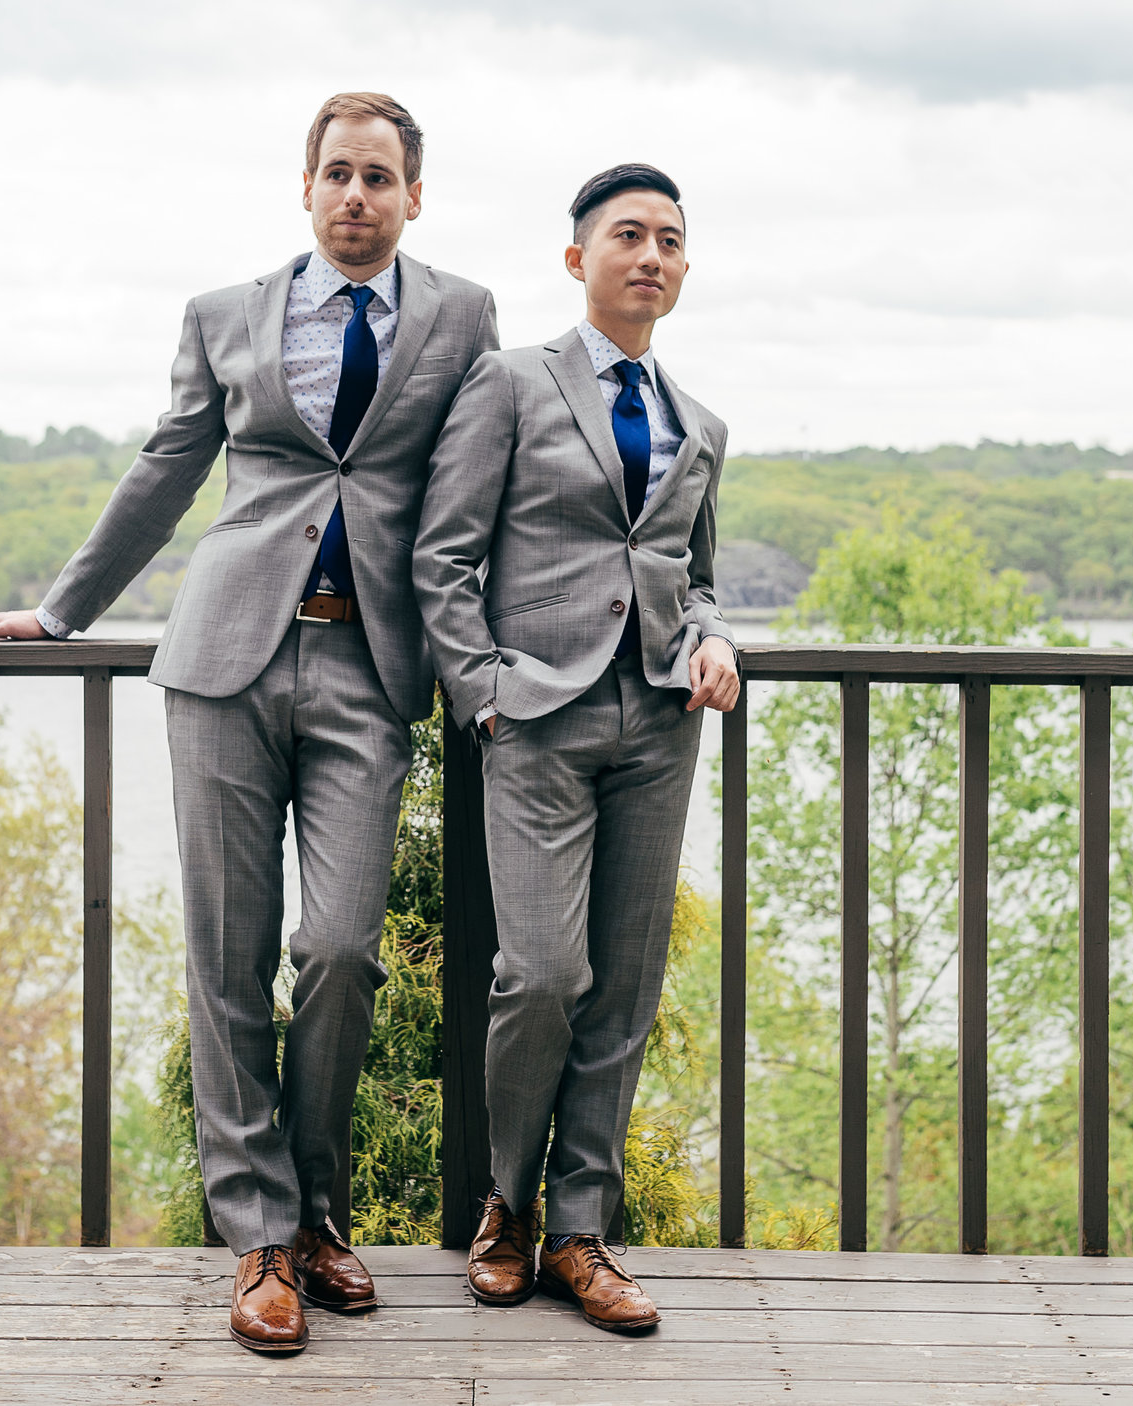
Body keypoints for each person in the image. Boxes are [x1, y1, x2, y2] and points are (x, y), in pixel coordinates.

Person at [0, 92, 498, 1357]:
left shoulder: (464, 316)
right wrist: (61, 609)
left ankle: (313, 1207)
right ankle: (261, 1234)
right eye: (337, 175)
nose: (356, 197)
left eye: (380, 178)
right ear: (304, 187)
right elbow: (166, 466)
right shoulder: (225, 315)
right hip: (223, 663)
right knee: (226, 956)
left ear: (415, 196)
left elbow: (481, 484)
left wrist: (500, 652)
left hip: (370, 668)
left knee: (342, 948)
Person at [414, 162, 739, 1334]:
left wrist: (711, 636)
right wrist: (484, 693)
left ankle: (580, 1232)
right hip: (535, 723)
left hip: (657, 723)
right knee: (540, 973)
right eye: (626, 236)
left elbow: (693, 576)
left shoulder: (698, 424)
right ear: (577, 259)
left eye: (668, 240)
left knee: (625, 988)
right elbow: (442, 556)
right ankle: (505, 1201)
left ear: (683, 268)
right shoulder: (509, 385)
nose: (649, 255)